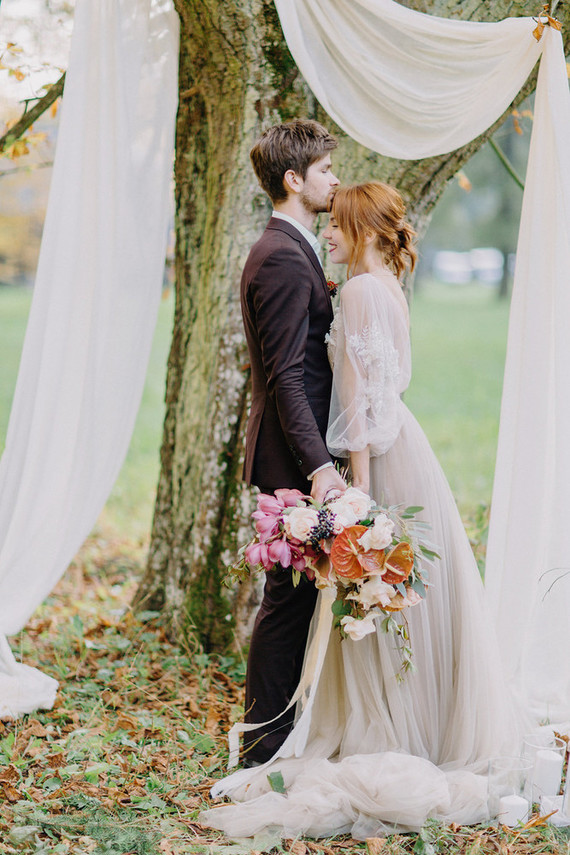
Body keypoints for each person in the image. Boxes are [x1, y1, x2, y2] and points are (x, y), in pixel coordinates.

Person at [201, 181, 523, 837]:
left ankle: (389, 728)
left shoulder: (354, 292)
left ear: (366, 229)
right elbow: (384, 395)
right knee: (405, 602)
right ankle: (421, 725)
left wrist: (360, 497)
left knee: (377, 598)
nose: (330, 235)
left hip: (380, 459)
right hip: (412, 447)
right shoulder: (390, 290)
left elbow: (358, 413)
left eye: (340, 226)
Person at [239, 120, 346, 765]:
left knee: (298, 602)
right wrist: (318, 469)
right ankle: (261, 750)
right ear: (294, 179)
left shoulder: (296, 248)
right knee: (287, 605)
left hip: (300, 456)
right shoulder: (279, 255)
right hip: (292, 460)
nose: (335, 178)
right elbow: (286, 375)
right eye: (327, 169)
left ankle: (275, 737)